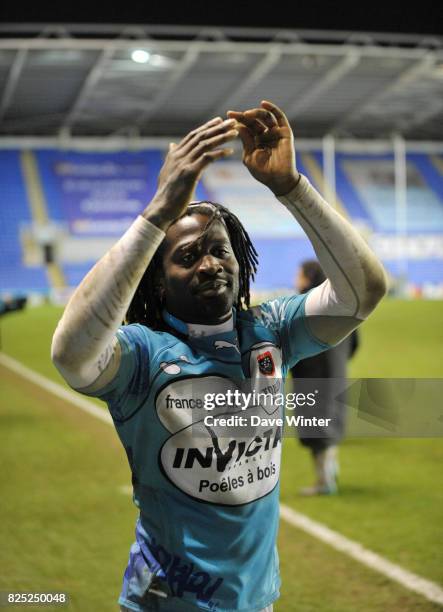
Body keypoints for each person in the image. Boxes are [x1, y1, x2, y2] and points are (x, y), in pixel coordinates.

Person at [51, 101, 387, 612]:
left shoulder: (270, 332)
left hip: (257, 600)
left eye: (220, 250)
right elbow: (71, 355)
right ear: (159, 281)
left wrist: (291, 187)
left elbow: (362, 294)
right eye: (187, 257)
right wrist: (159, 212)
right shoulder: (143, 354)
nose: (210, 264)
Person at [291, 260, 359, 496]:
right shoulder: (341, 304)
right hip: (336, 374)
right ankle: (330, 469)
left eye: (299, 274)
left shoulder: (301, 305)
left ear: (308, 277)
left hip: (310, 377)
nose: (296, 279)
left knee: (316, 428)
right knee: (330, 423)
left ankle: (324, 479)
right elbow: (354, 341)